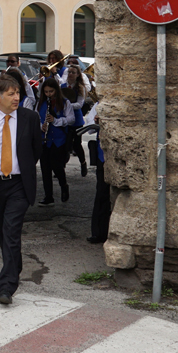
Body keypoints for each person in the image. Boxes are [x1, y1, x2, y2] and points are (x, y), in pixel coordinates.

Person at [0, 73, 42, 306]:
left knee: (12, 230)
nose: (16, 98)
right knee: (4, 235)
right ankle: (15, 265)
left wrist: (21, 168)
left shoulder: (30, 118)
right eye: (11, 94)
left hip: (19, 185)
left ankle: (6, 285)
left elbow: (36, 150)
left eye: (18, 93)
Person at [37, 77, 73, 205]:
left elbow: (71, 119)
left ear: (56, 90)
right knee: (45, 168)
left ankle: (64, 186)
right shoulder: (41, 103)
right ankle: (48, 196)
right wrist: (41, 125)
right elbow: (37, 117)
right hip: (45, 139)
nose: (49, 94)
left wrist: (56, 121)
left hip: (58, 139)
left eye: (51, 91)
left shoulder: (65, 103)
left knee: (57, 166)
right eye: (46, 92)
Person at [82, 102, 112, 244]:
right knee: (101, 193)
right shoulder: (98, 105)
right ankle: (99, 232)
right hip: (102, 155)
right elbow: (89, 129)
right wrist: (96, 121)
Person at [63, 64, 92, 176]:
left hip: (76, 119)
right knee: (65, 143)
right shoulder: (63, 86)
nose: (70, 74)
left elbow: (79, 104)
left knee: (76, 144)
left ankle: (83, 163)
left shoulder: (80, 88)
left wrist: (67, 105)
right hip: (65, 118)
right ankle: (62, 166)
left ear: (78, 75)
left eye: (73, 72)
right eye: (69, 72)